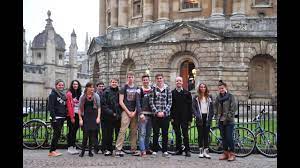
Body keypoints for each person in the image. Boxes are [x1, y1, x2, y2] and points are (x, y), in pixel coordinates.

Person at [115, 71, 141, 157]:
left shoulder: (137, 88)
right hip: (126, 111)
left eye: (132, 77)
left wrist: (134, 112)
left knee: (134, 131)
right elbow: (121, 102)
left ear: (134, 78)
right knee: (123, 130)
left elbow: (138, 101)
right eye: (129, 77)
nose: (130, 78)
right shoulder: (123, 88)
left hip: (134, 112)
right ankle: (118, 149)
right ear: (127, 78)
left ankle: (133, 149)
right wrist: (128, 112)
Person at [149, 73, 172, 157]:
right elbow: (151, 102)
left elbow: (170, 102)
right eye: (158, 78)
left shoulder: (168, 89)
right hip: (156, 115)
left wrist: (164, 112)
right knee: (155, 133)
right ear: (156, 80)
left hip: (165, 115)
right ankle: (154, 150)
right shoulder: (153, 89)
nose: (159, 80)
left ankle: (164, 151)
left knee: (165, 133)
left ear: (163, 79)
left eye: (160, 78)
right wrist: (157, 112)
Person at [214, 80, 237, 161]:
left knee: (229, 138)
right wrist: (217, 116)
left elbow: (233, 108)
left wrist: (228, 117)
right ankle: (225, 153)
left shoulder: (231, 96)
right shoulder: (218, 97)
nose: (221, 89)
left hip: (229, 121)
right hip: (220, 120)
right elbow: (215, 107)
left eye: (222, 88)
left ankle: (232, 154)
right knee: (223, 138)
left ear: (225, 88)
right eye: (220, 88)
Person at [170, 76, 192, 157]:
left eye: (180, 81)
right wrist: (171, 117)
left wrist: (190, 119)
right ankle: (178, 150)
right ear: (175, 83)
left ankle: (187, 150)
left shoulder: (187, 93)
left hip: (185, 117)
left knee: (185, 135)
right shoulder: (172, 93)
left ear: (182, 82)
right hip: (175, 118)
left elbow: (190, 107)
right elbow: (170, 106)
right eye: (177, 81)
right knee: (177, 134)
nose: (178, 82)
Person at [78, 82, 101, 157]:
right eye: (90, 87)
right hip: (86, 117)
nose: (92, 88)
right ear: (87, 88)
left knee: (92, 136)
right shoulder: (83, 96)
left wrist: (98, 117)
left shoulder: (96, 96)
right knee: (85, 136)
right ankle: (83, 151)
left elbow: (99, 107)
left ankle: (90, 151)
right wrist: (80, 119)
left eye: (93, 87)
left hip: (94, 117)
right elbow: (79, 109)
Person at [192, 83, 214, 158]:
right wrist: (197, 115)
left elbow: (212, 108)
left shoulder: (209, 96)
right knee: (200, 135)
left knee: (206, 135)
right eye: (201, 87)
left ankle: (206, 151)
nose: (203, 88)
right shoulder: (196, 97)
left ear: (206, 88)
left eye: (204, 87)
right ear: (199, 88)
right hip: (200, 117)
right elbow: (193, 107)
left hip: (207, 117)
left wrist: (210, 116)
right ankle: (201, 151)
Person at [101, 78, 122, 156]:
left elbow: (121, 103)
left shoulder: (120, 92)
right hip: (108, 117)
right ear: (110, 83)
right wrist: (111, 113)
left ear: (118, 83)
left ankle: (118, 150)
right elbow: (104, 105)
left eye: (115, 82)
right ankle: (109, 150)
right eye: (113, 82)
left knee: (118, 134)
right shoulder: (105, 92)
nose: (114, 83)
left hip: (118, 116)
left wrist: (119, 114)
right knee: (109, 134)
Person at [47, 79, 67, 157]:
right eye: (59, 85)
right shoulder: (53, 95)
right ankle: (51, 151)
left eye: (62, 85)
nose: (61, 86)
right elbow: (50, 107)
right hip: (56, 117)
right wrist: (54, 117)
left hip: (61, 117)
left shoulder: (62, 95)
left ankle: (54, 150)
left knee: (58, 134)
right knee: (56, 134)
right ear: (56, 85)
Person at [138, 74, 154, 157]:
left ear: (149, 80)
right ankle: (142, 150)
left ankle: (147, 148)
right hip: (143, 115)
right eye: (144, 80)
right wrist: (140, 114)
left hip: (151, 115)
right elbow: (138, 103)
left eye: (147, 80)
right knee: (142, 133)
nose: (145, 81)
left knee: (148, 133)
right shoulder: (139, 90)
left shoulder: (152, 89)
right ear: (142, 81)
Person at [66, 80, 82, 155]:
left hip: (78, 114)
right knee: (71, 131)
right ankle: (70, 147)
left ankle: (73, 146)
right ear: (72, 85)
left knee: (75, 131)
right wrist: (72, 117)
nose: (75, 85)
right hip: (71, 115)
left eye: (77, 84)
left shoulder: (80, 93)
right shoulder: (69, 94)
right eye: (74, 84)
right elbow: (69, 106)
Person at [95, 81, 105, 154]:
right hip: (96, 115)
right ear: (97, 87)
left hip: (104, 115)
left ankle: (103, 148)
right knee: (96, 132)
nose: (101, 88)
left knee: (104, 132)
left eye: (102, 86)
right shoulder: (95, 94)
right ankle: (96, 148)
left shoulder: (105, 94)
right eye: (100, 86)